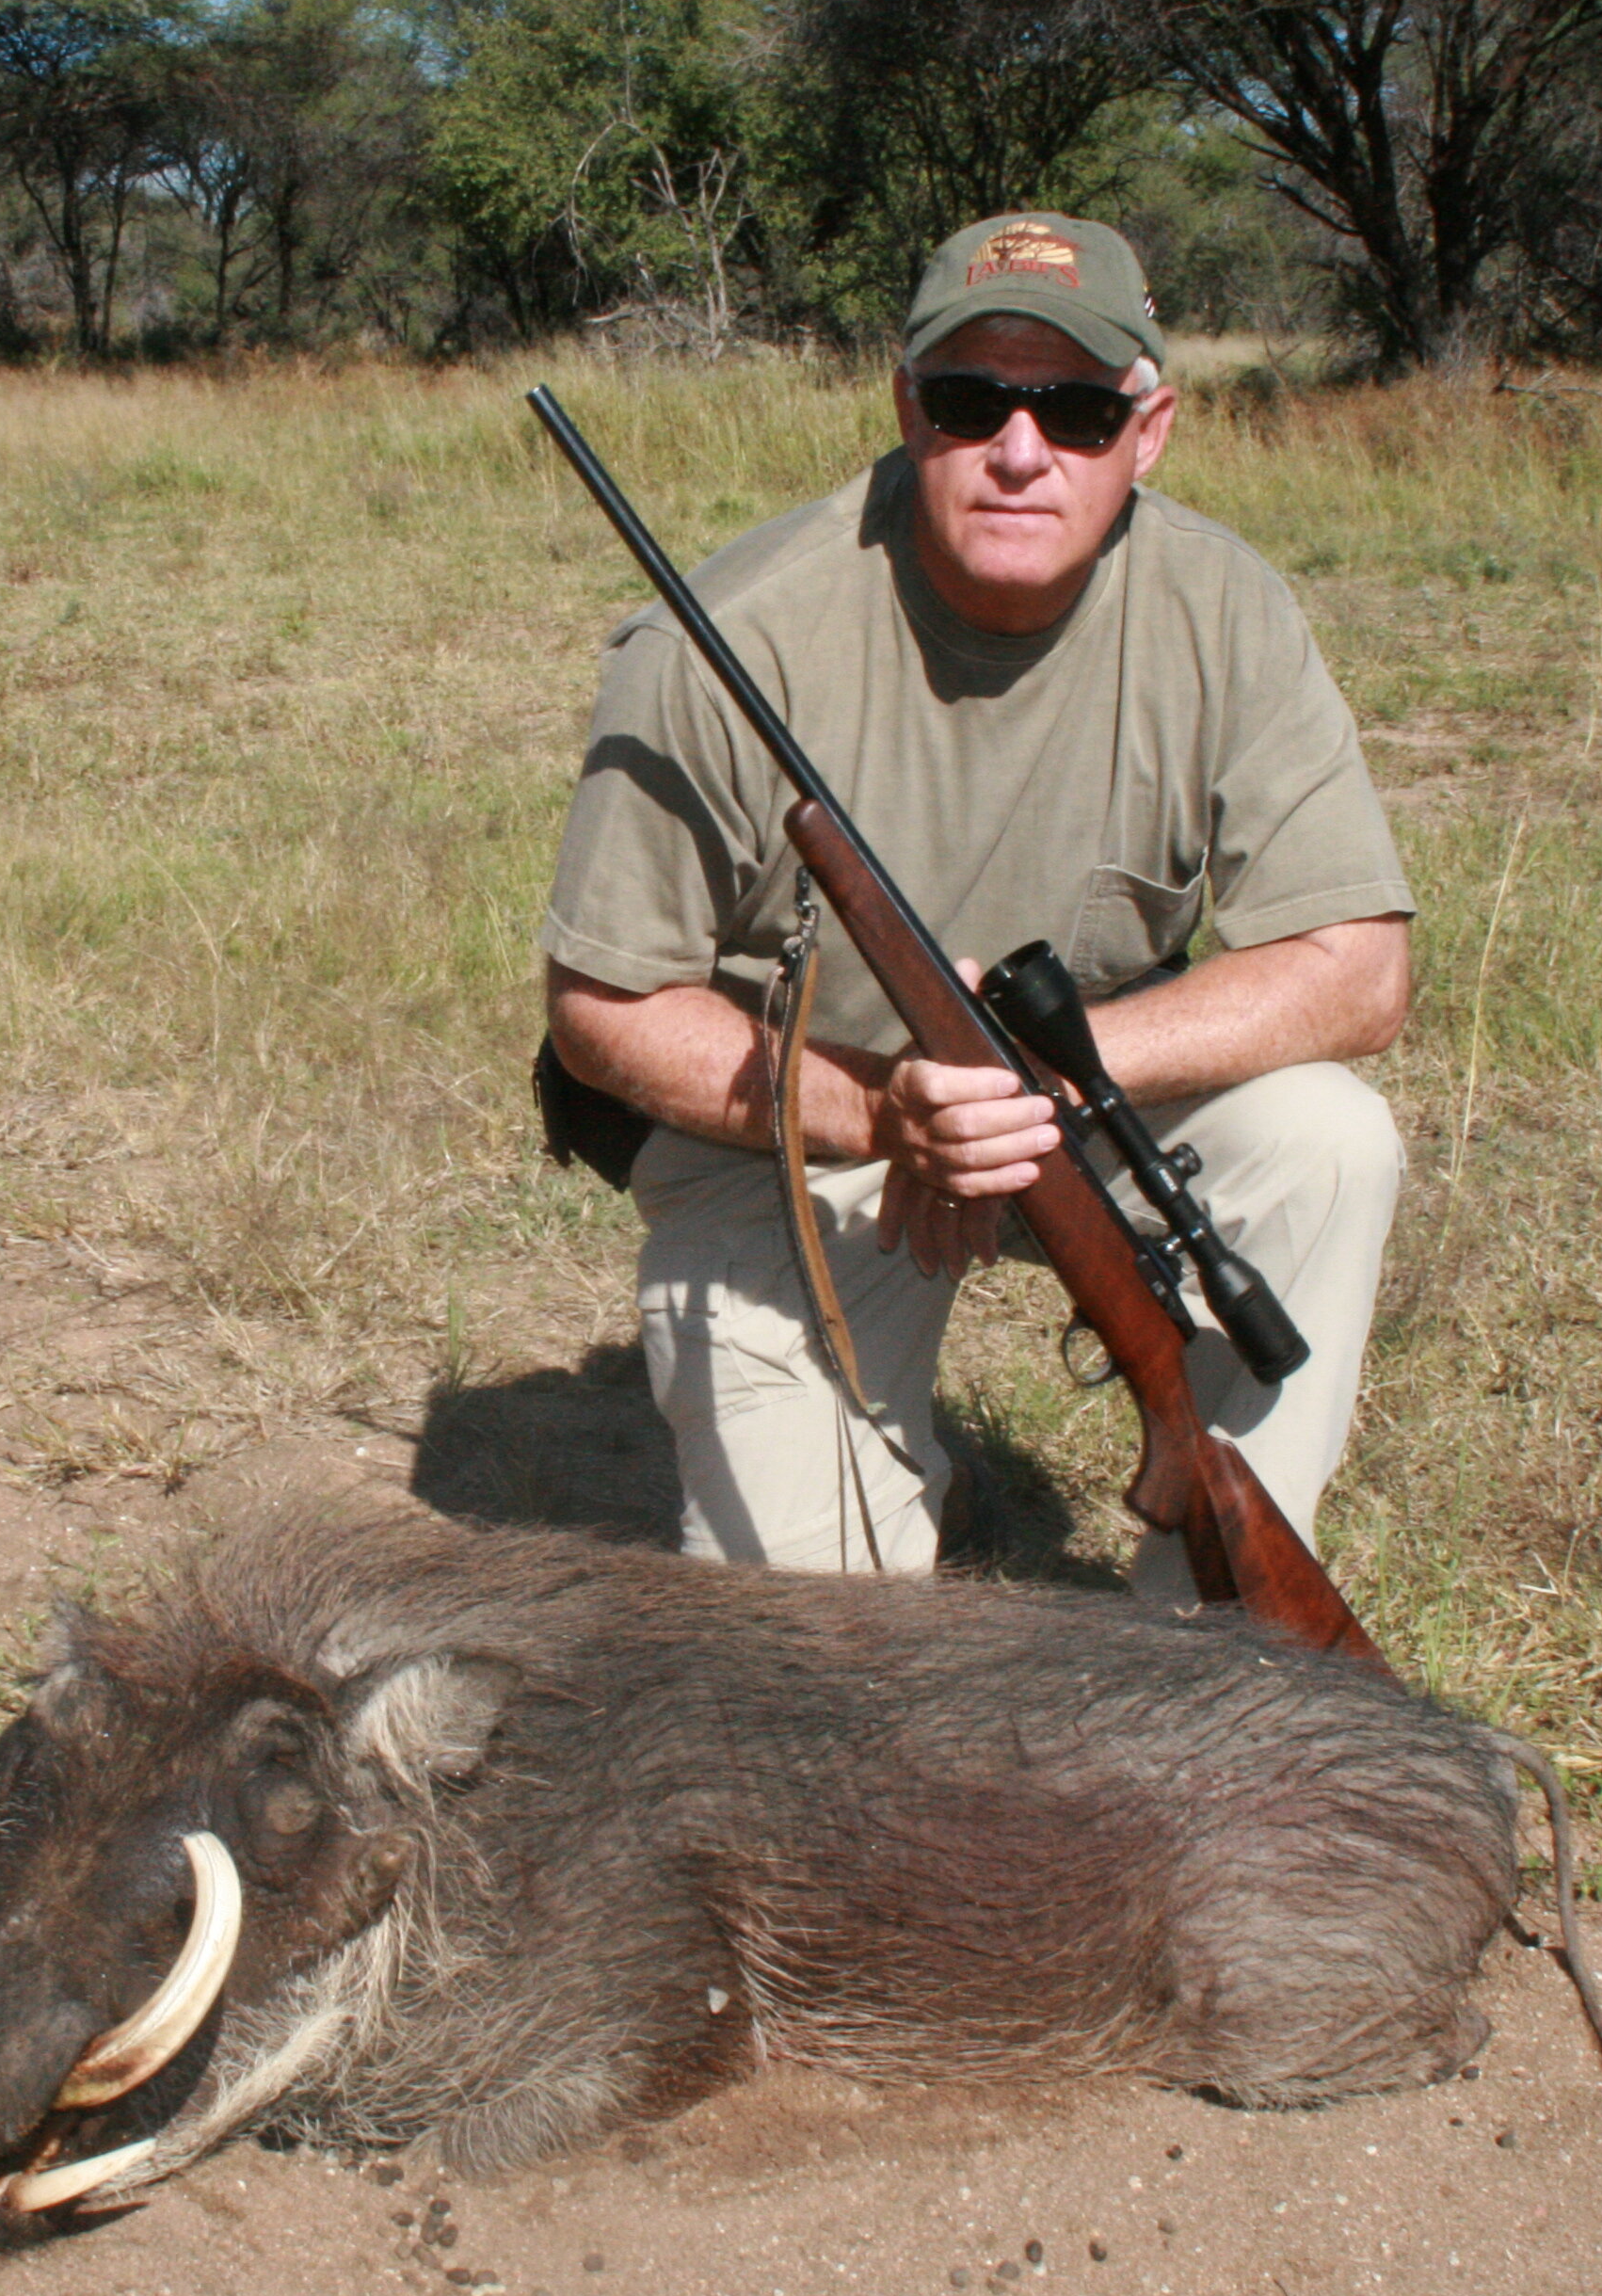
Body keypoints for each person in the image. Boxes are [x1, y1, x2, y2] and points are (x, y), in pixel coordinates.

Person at [536, 212, 1415, 1601]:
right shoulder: (721, 639)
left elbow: (1359, 970)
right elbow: (602, 1015)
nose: (1020, 450)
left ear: (1150, 428)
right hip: (805, 1150)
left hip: (1086, 1118)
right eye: (970, 400)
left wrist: (1038, 1088)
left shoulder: (1224, 608)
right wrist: (889, 1113)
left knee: (1327, 1139)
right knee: (823, 1659)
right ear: (906, 409)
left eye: (1072, 409)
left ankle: (1220, 1640)